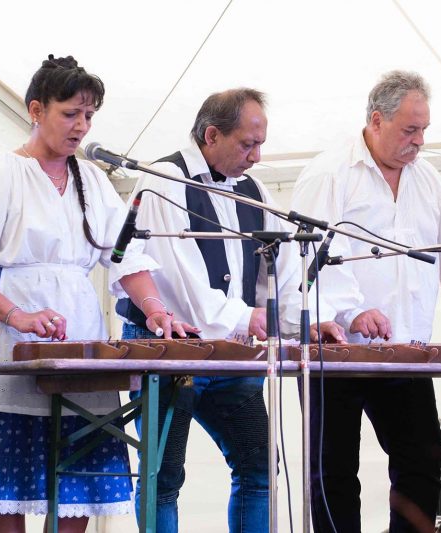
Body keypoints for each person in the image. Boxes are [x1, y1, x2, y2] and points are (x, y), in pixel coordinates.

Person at [0, 55, 194, 533]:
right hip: (5, 330)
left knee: (82, 462)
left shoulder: (92, 179)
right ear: (36, 110)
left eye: (89, 115)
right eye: (71, 113)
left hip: (78, 332)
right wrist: (19, 316)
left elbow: (125, 255)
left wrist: (155, 309)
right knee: (9, 472)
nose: (82, 126)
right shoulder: (0, 173)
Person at [291, 70, 441, 532]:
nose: (419, 141)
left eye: (424, 130)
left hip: (406, 348)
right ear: (376, 120)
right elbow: (306, 256)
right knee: (333, 472)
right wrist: (350, 311)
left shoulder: (428, 180)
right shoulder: (329, 174)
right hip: (336, 351)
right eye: (410, 130)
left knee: (422, 461)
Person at [116, 87, 344, 533]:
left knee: (259, 470)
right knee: (164, 477)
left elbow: (280, 274)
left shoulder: (253, 189)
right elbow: (182, 281)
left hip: (231, 355)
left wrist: (304, 321)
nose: (256, 156)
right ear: (212, 135)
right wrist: (249, 318)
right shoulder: (165, 180)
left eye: (261, 144)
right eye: (247, 144)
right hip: (168, 353)